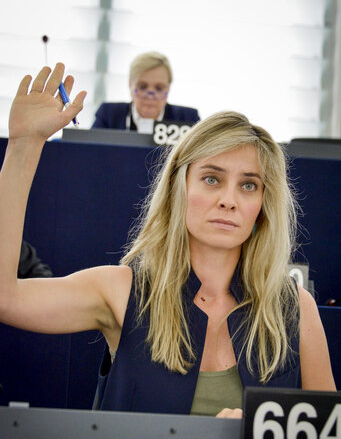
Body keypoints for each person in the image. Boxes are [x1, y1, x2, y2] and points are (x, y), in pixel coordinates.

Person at [0, 64, 336, 419]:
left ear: (263, 205)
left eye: (248, 185)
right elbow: (6, 298)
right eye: (211, 179)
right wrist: (24, 146)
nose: (229, 199)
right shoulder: (122, 289)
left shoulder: (295, 307)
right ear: (181, 187)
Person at [91, 51, 200, 132]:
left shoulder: (189, 120)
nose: (150, 96)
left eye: (159, 88)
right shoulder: (108, 115)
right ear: (130, 85)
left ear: (168, 88)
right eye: (143, 87)